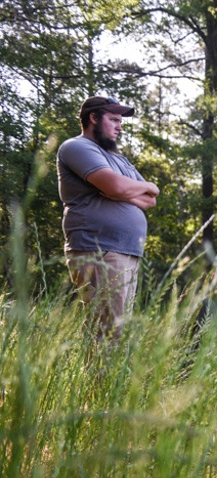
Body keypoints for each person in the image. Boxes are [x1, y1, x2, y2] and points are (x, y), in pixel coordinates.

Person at [57, 96, 160, 339]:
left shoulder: (118, 159)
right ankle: (97, 379)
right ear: (93, 118)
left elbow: (151, 198)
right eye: (113, 119)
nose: (119, 126)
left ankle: (106, 378)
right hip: (98, 248)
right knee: (107, 331)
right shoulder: (77, 147)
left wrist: (138, 188)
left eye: (120, 121)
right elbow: (116, 187)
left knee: (116, 329)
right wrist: (124, 189)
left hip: (124, 251)